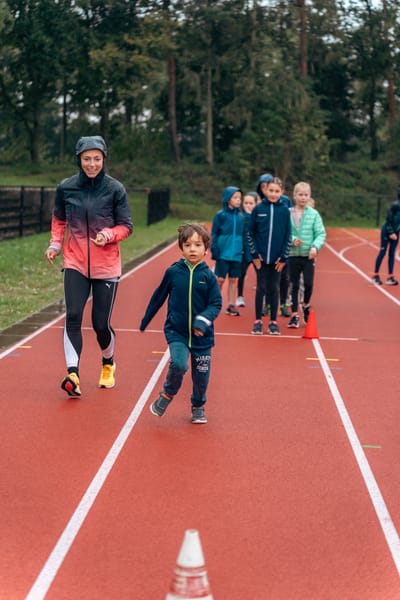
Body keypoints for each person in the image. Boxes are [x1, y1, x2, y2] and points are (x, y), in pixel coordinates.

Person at [45, 135, 133, 397]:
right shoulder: (66, 187)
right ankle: (73, 374)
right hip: (75, 261)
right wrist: (55, 245)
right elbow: (59, 219)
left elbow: (126, 226)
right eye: (87, 159)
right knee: (73, 315)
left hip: (106, 264)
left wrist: (109, 235)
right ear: (79, 159)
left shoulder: (115, 189)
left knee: (100, 324)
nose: (92, 164)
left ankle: (108, 363)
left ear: (104, 159)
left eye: (97, 158)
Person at [140, 223, 222, 424]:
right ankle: (167, 394)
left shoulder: (209, 277)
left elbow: (216, 303)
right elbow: (158, 296)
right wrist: (146, 318)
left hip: (203, 337)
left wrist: (202, 321)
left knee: (201, 377)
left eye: (197, 245)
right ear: (181, 248)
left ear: (206, 249)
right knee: (178, 363)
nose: (192, 249)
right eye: (187, 245)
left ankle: (198, 406)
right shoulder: (173, 272)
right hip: (177, 332)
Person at [247, 175, 292, 335]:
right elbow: (250, 233)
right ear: (265, 190)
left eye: (276, 191)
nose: (273, 194)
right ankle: (258, 321)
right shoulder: (259, 209)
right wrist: (254, 255)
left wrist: (284, 257)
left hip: (277, 260)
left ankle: (273, 322)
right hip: (260, 258)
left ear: (282, 192)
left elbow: (288, 235)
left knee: (274, 288)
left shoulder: (285, 211)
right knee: (261, 288)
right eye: (270, 190)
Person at [287, 181, 326, 328]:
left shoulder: (314, 214)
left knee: (309, 283)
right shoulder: (288, 213)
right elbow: (285, 233)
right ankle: (294, 315)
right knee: (294, 285)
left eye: (306, 195)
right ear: (295, 195)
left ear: (309, 196)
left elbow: (321, 233)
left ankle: (306, 304)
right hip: (292, 255)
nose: (303, 198)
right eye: (300, 195)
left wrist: (315, 247)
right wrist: (292, 240)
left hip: (308, 256)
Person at [211, 186, 244, 316]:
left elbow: (244, 235)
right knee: (220, 279)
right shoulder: (220, 215)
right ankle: (214, 302)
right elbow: (214, 234)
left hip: (236, 254)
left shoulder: (241, 217)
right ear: (227, 199)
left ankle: (231, 304)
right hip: (223, 252)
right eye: (235, 198)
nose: (238, 200)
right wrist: (215, 250)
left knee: (233, 279)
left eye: (239, 198)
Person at [371, 190, 400, 285]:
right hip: (387, 231)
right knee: (383, 252)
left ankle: (390, 277)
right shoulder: (395, 205)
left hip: (396, 232)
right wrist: (391, 232)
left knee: (392, 254)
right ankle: (375, 276)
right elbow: (388, 219)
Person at [236, 191, 258, 307]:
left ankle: (262, 298)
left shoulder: (258, 218)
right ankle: (239, 296)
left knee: (261, 275)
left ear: (255, 204)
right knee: (241, 274)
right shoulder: (241, 217)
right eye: (246, 203)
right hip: (244, 251)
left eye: (251, 203)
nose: (248, 205)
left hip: (255, 251)